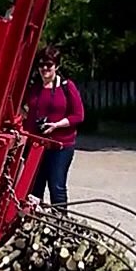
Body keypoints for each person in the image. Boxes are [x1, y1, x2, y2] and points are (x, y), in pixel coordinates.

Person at [23, 46, 85, 207]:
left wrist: (56, 125)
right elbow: (24, 110)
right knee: (33, 188)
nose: (45, 69)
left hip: (60, 145)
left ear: (56, 66)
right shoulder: (34, 88)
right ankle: (32, 225)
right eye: (41, 65)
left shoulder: (66, 86)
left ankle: (60, 223)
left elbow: (78, 115)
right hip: (36, 144)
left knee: (56, 186)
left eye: (49, 65)